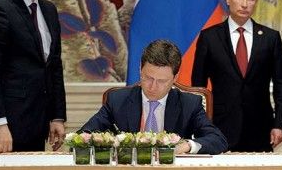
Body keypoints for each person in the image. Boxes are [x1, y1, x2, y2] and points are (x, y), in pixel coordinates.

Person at [191, 0, 282, 152]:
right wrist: (201, 125)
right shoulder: (209, 37)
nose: (245, 4)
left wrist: (280, 125)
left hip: (260, 129)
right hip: (219, 128)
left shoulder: (270, 38)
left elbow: (281, 85)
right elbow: (198, 87)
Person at [81, 39, 227, 154]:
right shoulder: (117, 100)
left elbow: (218, 140)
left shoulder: (189, 104)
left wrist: (187, 145)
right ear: (140, 69)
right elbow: (83, 135)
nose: (153, 87)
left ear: (175, 77)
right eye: (148, 78)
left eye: (162, 81)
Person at [0, 0, 66, 152]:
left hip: (37, 124)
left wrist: (57, 116)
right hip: (6, 127)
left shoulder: (49, 10)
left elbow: (54, 66)